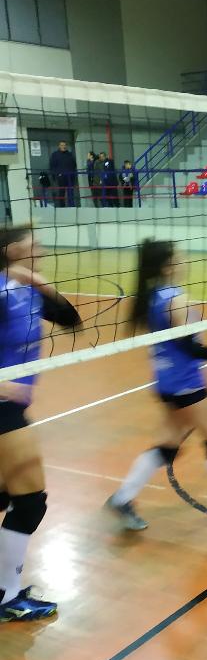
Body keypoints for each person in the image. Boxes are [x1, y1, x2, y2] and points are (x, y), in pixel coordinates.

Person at [105, 240, 207, 531]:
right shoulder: (176, 299)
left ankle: (122, 498)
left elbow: (183, 342)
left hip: (166, 378)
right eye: (181, 257)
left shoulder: (153, 296)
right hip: (185, 381)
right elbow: (189, 347)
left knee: (168, 445)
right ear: (169, 265)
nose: (186, 261)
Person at [0, 224, 80, 621]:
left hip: (12, 407)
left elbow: (72, 320)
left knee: (5, 496)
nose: (42, 250)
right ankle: (6, 597)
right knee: (30, 501)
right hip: (2, 407)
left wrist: (41, 284)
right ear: (12, 249)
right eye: (34, 245)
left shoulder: (28, 291)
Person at [49, 140, 77, 208]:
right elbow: (52, 166)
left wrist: (73, 174)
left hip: (70, 177)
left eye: (64, 145)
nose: (63, 147)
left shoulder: (70, 154)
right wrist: (55, 175)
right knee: (61, 192)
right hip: (60, 178)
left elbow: (74, 164)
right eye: (62, 145)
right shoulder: (55, 155)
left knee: (70, 193)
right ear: (59, 146)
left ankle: (72, 207)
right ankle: (62, 207)